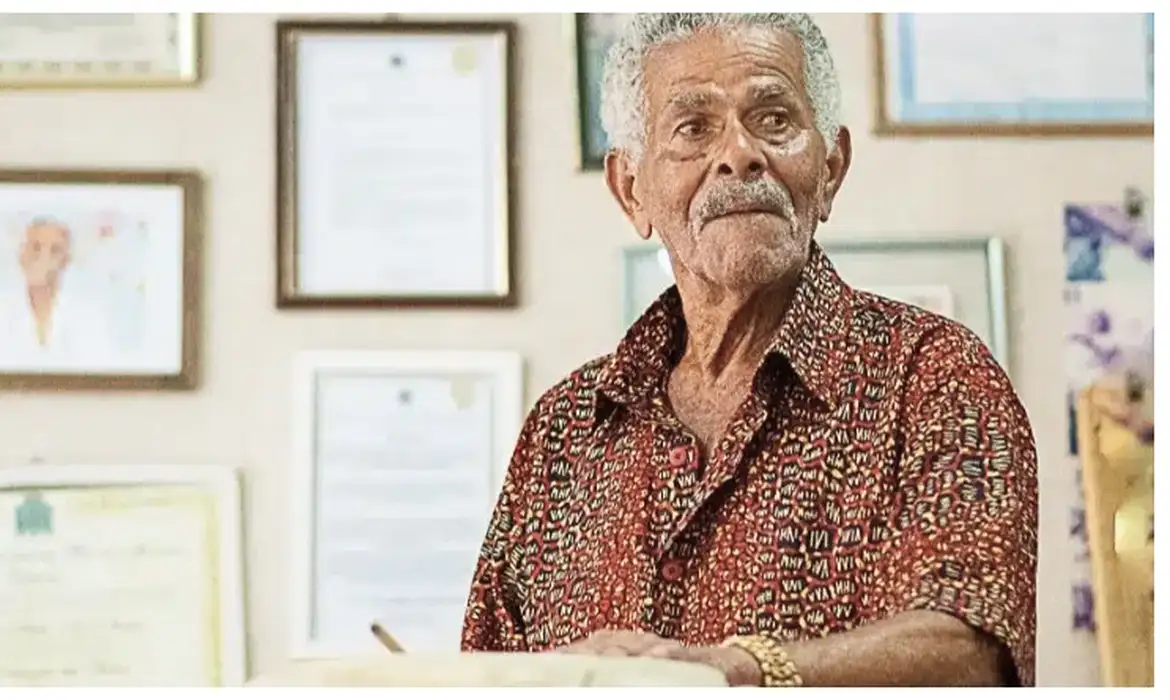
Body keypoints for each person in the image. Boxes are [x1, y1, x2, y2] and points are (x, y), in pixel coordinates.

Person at [461, 13, 1037, 687]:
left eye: (773, 119)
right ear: (631, 190)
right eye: (693, 127)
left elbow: (972, 651)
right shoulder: (564, 430)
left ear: (830, 169)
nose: (739, 153)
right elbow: (490, 675)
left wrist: (735, 671)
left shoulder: (934, 377)